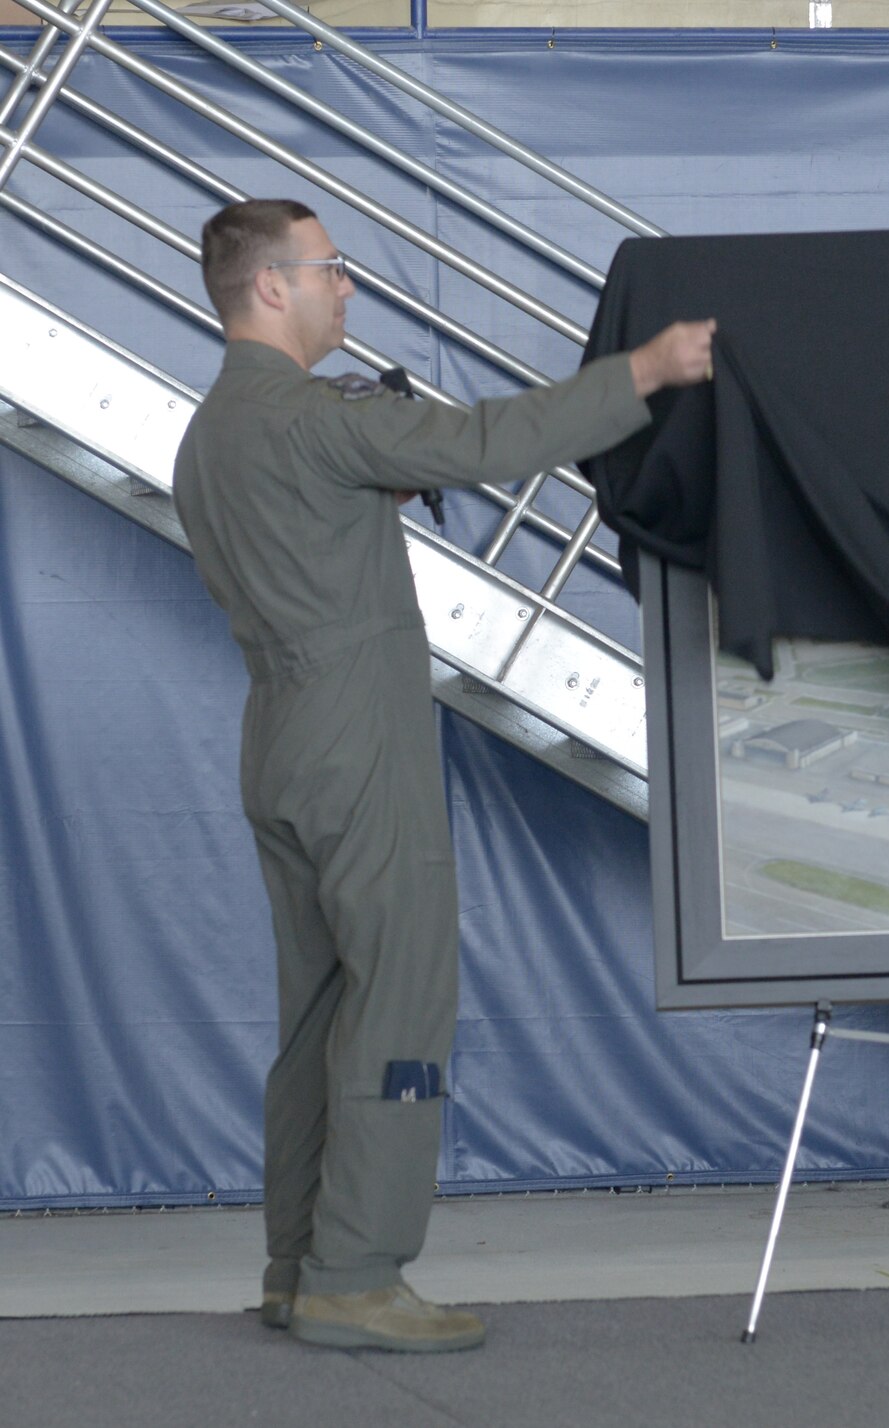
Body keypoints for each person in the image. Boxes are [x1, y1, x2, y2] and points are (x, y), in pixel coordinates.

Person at [173, 198, 714, 1353]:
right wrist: (648, 369)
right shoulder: (315, 419)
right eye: (330, 269)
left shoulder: (210, 433)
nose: (346, 288)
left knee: (317, 1007)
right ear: (271, 287)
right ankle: (356, 1276)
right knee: (401, 997)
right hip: (357, 736)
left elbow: (317, 518)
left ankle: (296, 1265)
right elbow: (483, 444)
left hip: (275, 731)